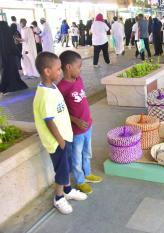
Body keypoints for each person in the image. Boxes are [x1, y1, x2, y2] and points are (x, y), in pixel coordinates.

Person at [33, 52, 87, 214]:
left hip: (65, 136)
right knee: (62, 170)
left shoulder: (52, 86)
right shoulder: (43, 95)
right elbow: (49, 121)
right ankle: (58, 198)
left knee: (67, 165)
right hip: (57, 142)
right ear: (47, 71)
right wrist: (61, 142)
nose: (60, 72)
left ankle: (68, 191)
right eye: (57, 69)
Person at [57, 50, 103, 194]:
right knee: (76, 157)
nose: (80, 70)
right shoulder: (61, 87)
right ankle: (80, 180)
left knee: (86, 153)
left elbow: (82, 102)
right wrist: (75, 120)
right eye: (79, 66)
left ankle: (87, 173)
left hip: (88, 126)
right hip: (76, 131)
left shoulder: (79, 80)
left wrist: (88, 117)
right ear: (69, 67)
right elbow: (60, 111)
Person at [0, 21, 27, 94]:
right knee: (13, 72)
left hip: (3, 58)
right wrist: (19, 54)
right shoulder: (8, 34)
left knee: (5, 72)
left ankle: (4, 87)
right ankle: (13, 86)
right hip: (11, 57)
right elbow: (12, 46)